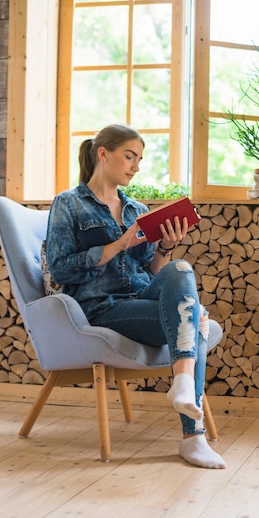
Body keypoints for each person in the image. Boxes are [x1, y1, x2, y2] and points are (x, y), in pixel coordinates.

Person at [46, 123, 226, 469]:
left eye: (139, 159)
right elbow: (61, 270)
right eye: (129, 156)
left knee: (181, 269)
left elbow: (157, 272)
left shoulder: (137, 210)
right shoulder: (68, 204)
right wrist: (118, 245)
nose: (136, 166)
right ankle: (194, 437)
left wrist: (167, 246)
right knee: (196, 325)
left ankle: (183, 384)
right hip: (103, 308)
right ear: (103, 154)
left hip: (142, 296)